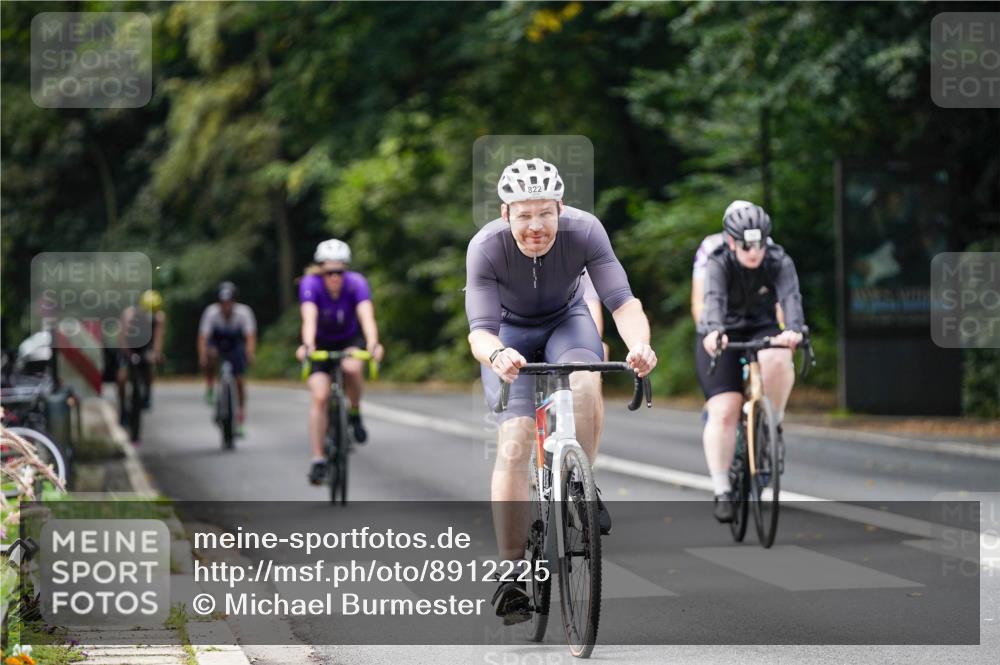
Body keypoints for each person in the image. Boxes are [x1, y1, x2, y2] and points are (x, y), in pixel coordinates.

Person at [465, 157, 656, 624]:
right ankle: (512, 572)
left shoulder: (586, 231)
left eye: (545, 213)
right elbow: (480, 331)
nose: (536, 226)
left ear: (561, 209)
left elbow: (622, 302)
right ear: (505, 213)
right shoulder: (486, 247)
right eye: (524, 215)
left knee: (586, 380)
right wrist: (496, 355)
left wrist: (640, 345)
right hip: (507, 334)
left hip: (566, 322)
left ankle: (577, 483)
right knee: (514, 443)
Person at [695, 201, 805, 523]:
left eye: (760, 243)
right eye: (745, 245)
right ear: (731, 242)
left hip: (761, 326)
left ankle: (772, 422)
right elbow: (712, 301)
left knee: (779, 356)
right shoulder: (718, 260)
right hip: (723, 331)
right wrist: (713, 331)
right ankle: (722, 488)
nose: (754, 252)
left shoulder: (778, 259)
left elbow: (790, 299)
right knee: (725, 408)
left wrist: (794, 329)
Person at [296, 239, 384, 486]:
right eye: (329, 272)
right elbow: (309, 318)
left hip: (348, 340)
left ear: (346, 270)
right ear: (320, 270)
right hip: (320, 343)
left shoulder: (356, 283)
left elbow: (367, 317)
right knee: (320, 396)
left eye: (339, 272)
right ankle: (318, 458)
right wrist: (308, 345)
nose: (335, 277)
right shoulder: (310, 284)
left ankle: (354, 412)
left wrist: (373, 344)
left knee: (352, 367)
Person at [198, 282, 257, 437]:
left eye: (229, 302)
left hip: (235, 343)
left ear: (234, 301)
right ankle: (210, 387)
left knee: (240, 380)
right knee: (211, 355)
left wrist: (250, 354)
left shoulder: (244, 313)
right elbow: (203, 337)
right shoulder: (211, 313)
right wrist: (203, 356)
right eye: (223, 302)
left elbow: (250, 336)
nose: (226, 306)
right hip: (217, 342)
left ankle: (240, 418)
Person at [116, 289, 166, 428]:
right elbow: (122, 340)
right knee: (122, 378)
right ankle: (123, 408)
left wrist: (156, 353)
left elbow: (158, 338)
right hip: (129, 348)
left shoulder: (159, 317)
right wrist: (130, 355)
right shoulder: (129, 315)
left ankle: (147, 394)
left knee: (150, 368)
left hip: (145, 347)